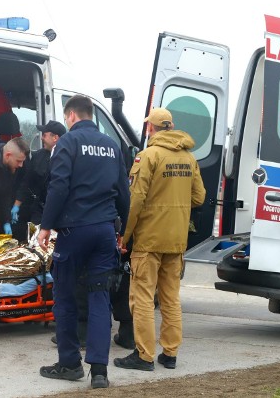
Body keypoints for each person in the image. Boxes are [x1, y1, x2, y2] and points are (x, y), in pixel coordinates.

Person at [37, 95, 130, 389]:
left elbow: (59, 186)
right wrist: (125, 230)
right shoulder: (112, 146)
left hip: (73, 232)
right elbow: (124, 193)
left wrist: (46, 226)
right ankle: (100, 371)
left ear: (72, 116)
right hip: (104, 231)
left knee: (64, 296)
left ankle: (69, 364)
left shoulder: (67, 143)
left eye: (66, 119)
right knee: (99, 295)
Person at [114, 107, 205, 371]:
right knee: (170, 298)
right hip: (176, 240)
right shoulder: (189, 158)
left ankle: (143, 355)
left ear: (151, 129)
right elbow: (198, 198)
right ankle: (170, 353)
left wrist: (125, 237)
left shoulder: (148, 156)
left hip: (149, 240)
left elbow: (136, 201)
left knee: (141, 297)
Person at [11, 120, 66, 241]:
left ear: (55, 138)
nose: (41, 138)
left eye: (44, 135)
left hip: (61, 213)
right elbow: (26, 182)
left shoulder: (68, 157)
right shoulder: (38, 156)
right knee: (36, 244)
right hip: (39, 210)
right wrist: (16, 206)